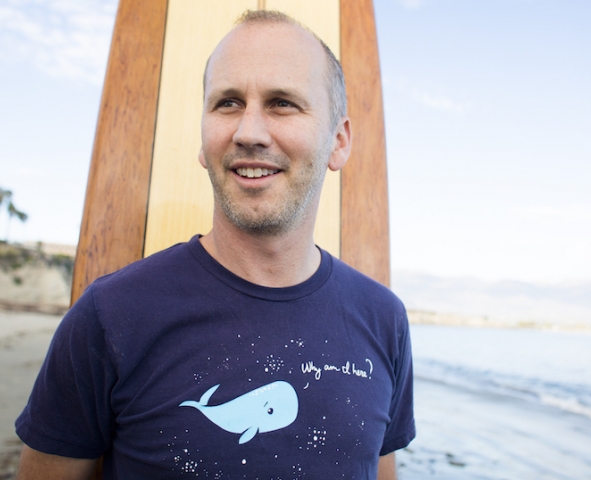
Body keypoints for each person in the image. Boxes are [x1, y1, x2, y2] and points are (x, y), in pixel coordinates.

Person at [15, 10, 415, 479]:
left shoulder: (384, 320)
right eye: (227, 103)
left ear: (339, 141)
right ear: (204, 140)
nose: (248, 132)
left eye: (283, 103)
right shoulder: (110, 316)